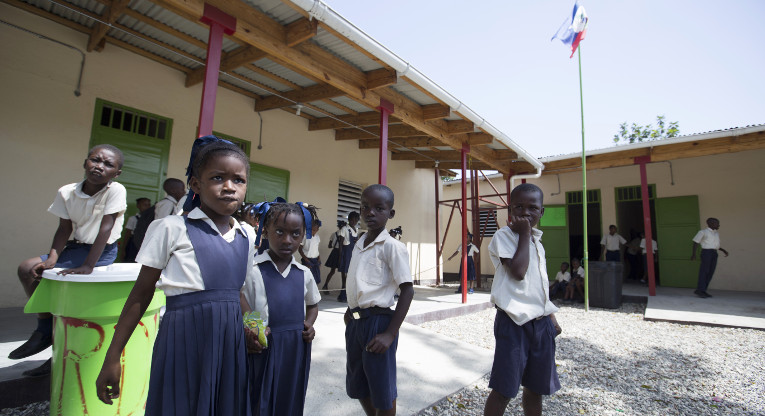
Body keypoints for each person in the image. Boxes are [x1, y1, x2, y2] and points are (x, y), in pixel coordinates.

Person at [95, 137, 254, 414]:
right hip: (184, 337)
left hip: (230, 342)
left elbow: (237, 292)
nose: (229, 187)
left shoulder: (246, 234)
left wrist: (254, 326)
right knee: (180, 404)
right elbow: (141, 294)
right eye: (218, 177)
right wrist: (112, 357)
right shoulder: (171, 228)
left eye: (238, 180)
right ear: (195, 184)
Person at [10, 144, 126, 377]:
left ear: (116, 173)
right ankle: (45, 329)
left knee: (62, 289)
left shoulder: (116, 190)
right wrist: (53, 257)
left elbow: (106, 228)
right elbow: (64, 228)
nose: (99, 166)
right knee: (28, 269)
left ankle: (51, 339)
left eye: (108, 164)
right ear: (85, 162)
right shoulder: (67, 191)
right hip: (76, 247)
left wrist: (88, 266)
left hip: (101, 252)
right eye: (95, 160)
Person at [484, 183, 561, 416]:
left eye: (532, 207)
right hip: (513, 324)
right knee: (504, 389)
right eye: (519, 206)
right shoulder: (504, 236)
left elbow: (539, 285)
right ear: (510, 210)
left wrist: (551, 317)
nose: (525, 213)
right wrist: (525, 234)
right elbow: (518, 272)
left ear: (542, 212)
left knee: (535, 388)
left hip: (541, 324)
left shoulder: (538, 242)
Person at [242, 201, 321, 416]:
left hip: (295, 347)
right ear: (265, 231)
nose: (287, 240)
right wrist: (252, 328)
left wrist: (309, 324)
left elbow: (313, 304)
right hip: (264, 344)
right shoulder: (253, 270)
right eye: (280, 232)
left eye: (295, 234)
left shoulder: (304, 273)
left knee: (290, 395)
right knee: (260, 398)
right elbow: (241, 299)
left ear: (303, 236)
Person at [344, 184, 414, 416]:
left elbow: (407, 290)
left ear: (390, 214)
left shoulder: (393, 247)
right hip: (356, 323)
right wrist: (350, 309)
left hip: (379, 325)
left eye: (378, 208)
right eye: (365, 207)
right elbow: (359, 281)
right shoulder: (359, 243)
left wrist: (390, 333)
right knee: (358, 383)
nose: (370, 212)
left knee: (382, 389)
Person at [691, 218, 729, 298]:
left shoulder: (716, 233)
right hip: (706, 253)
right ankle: (700, 290)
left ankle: (702, 290)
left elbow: (715, 245)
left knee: (710, 272)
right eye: (717, 223)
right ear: (710, 223)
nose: (718, 225)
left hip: (714, 253)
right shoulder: (703, 232)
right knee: (704, 271)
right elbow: (696, 242)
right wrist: (693, 254)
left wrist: (723, 250)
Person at [337, 211, 360, 302]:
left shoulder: (356, 230)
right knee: (344, 274)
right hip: (346, 253)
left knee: (352, 275)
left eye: (356, 220)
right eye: (352, 219)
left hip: (353, 253)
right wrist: (340, 256)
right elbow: (341, 244)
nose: (353, 221)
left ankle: (349, 294)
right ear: (349, 219)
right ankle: (342, 294)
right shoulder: (344, 229)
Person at [122, 197, 151, 262]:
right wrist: (123, 249)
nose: (147, 207)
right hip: (133, 244)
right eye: (144, 205)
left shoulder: (151, 220)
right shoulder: (133, 219)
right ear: (138, 206)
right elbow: (127, 234)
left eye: (149, 205)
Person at [322, 220, 345, 292]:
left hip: (334, 252)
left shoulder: (333, 234)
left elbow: (329, 246)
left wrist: (334, 244)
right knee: (343, 272)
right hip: (341, 253)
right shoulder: (344, 234)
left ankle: (325, 285)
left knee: (332, 271)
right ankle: (343, 289)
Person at [299, 219, 323, 285]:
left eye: (314, 230)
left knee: (316, 279)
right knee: (307, 278)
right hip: (307, 260)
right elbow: (300, 249)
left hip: (316, 260)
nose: (313, 231)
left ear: (317, 229)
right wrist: (306, 259)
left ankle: (314, 294)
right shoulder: (305, 236)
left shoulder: (317, 237)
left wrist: (319, 259)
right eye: (311, 229)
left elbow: (316, 249)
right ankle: (305, 294)